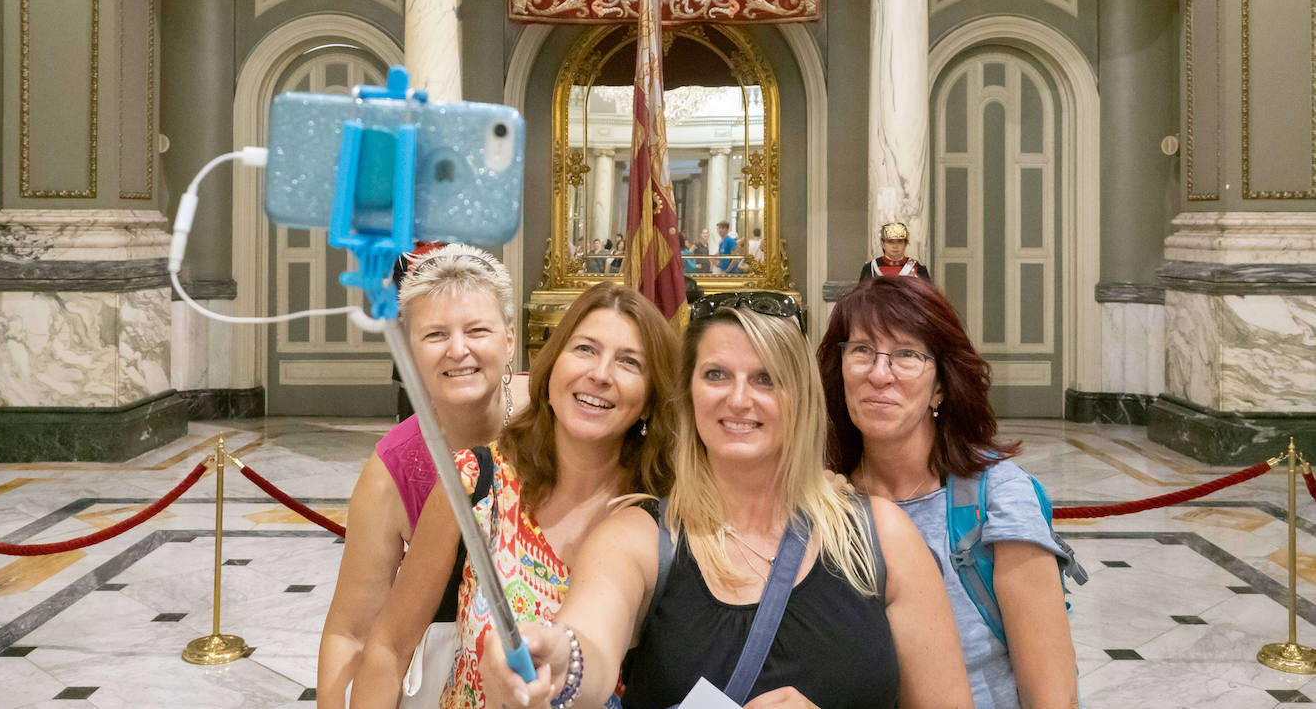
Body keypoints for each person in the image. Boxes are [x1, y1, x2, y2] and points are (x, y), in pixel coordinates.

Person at [482, 292, 973, 709]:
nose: (739, 399)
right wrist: (560, 656)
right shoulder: (640, 537)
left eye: (765, 379)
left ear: (800, 397)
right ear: (688, 393)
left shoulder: (880, 537)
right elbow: (590, 634)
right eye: (716, 375)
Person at [349, 282, 678, 709]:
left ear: (651, 399)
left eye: (629, 362)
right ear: (551, 365)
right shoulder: (475, 482)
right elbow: (390, 648)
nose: (600, 374)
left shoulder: (661, 515)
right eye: (584, 349)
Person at [818, 276, 1077, 709]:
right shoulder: (821, 497)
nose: (880, 374)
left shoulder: (996, 497)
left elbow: (1052, 697)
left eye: (906, 355)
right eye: (862, 350)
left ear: (940, 385)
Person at [317, 245, 527, 709]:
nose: (458, 349)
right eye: (435, 334)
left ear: (510, 339)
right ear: (409, 352)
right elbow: (350, 632)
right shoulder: (391, 473)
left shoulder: (554, 417)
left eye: (477, 330)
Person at [859, 221, 931, 280]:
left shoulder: (919, 268)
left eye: (899, 241)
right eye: (890, 242)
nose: (895, 246)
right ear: (883, 244)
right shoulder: (871, 268)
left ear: (905, 244)